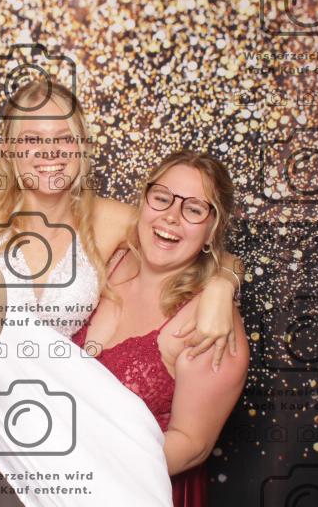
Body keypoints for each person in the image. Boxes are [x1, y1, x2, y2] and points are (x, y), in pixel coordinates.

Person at [0, 80, 244, 505]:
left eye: (63, 138)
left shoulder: (111, 221)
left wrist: (223, 285)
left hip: (52, 428)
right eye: (32, 139)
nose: (49, 152)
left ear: (82, 146)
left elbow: (186, 236)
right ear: (8, 149)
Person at [72, 150, 250, 506]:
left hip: (130, 492)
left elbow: (192, 445)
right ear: (143, 200)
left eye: (194, 210)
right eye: (162, 198)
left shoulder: (210, 324)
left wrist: (83, 472)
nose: (171, 216)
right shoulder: (109, 255)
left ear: (212, 229)